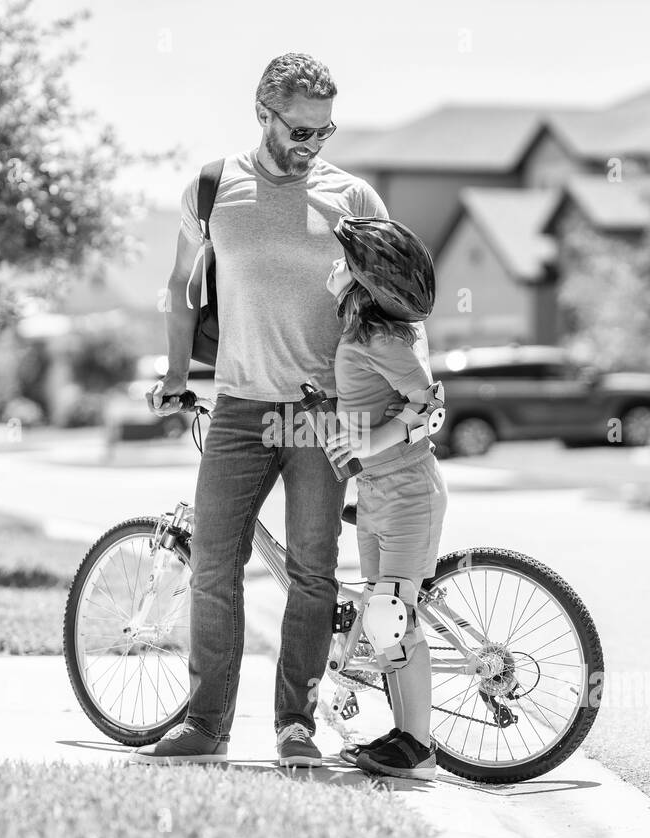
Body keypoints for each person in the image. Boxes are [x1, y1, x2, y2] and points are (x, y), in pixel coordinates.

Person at [134, 53, 389, 766]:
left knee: (314, 571)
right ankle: (206, 724)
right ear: (263, 115)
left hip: (324, 410)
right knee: (215, 565)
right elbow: (183, 287)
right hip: (241, 407)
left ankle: (294, 724)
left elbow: (388, 307)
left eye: (324, 131)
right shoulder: (214, 189)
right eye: (300, 130)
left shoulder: (355, 198)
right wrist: (177, 375)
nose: (312, 144)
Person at [323, 216, 448, 780]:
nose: (334, 270)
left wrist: (370, 440)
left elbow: (430, 406)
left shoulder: (381, 338)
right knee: (383, 621)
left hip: (406, 493)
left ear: (365, 287)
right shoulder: (361, 331)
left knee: (390, 617)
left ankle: (419, 747)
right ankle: (402, 735)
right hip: (379, 491)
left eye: (344, 265)